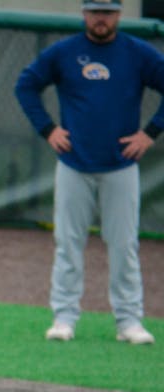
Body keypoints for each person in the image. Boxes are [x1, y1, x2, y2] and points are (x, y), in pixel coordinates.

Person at [14, 0, 164, 344]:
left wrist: (150, 133)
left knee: (124, 245)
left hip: (121, 165)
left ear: (118, 15)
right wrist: (48, 129)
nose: (101, 18)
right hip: (74, 164)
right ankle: (64, 317)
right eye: (95, 11)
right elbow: (26, 85)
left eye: (108, 11)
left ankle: (129, 321)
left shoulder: (138, 54)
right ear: (84, 13)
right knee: (68, 242)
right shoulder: (65, 53)